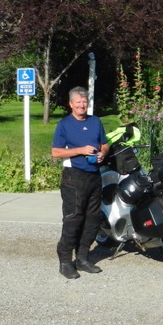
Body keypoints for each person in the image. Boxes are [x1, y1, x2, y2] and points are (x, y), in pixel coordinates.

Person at [51, 86, 109, 280]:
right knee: (73, 219)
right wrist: (80, 150)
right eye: (78, 102)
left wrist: (103, 153)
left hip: (94, 176)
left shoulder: (95, 121)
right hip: (73, 178)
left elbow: (104, 144)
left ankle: (83, 257)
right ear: (71, 104)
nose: (82, 105)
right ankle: (65, 261)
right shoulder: (64, 125)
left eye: (84, 102)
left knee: (93, 219)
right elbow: (56, 152)